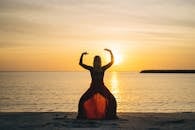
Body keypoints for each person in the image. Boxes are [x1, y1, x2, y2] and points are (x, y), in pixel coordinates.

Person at [77, 49, 118, 120]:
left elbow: (112, 62)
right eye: (96, 60)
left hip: (101, 87)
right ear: (94, 62)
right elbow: (80, 64)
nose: (97, 61)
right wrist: (82, 55)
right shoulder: (91, 69)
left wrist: (110, 52)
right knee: (82, 100)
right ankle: (82, 116)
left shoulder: (103, 68)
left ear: (100, 61)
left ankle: (110, 116)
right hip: (93, 88)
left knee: (112, 100)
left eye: (98, 60)